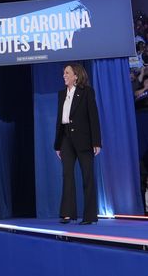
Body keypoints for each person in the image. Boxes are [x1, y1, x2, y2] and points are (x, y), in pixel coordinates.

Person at [54, 63, 102, 225]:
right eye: (63, 73)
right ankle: (67, 213)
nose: (64, 76)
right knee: (67, 175)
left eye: (67, 73)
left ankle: (89, 216)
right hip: (66, 138)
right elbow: (59, 121)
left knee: (87, 176)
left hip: (84, 139)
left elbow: (93, 117)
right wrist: (58, 144)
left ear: (76, 75)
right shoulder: (61, 94)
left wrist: (96, 141)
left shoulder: (87, 92)